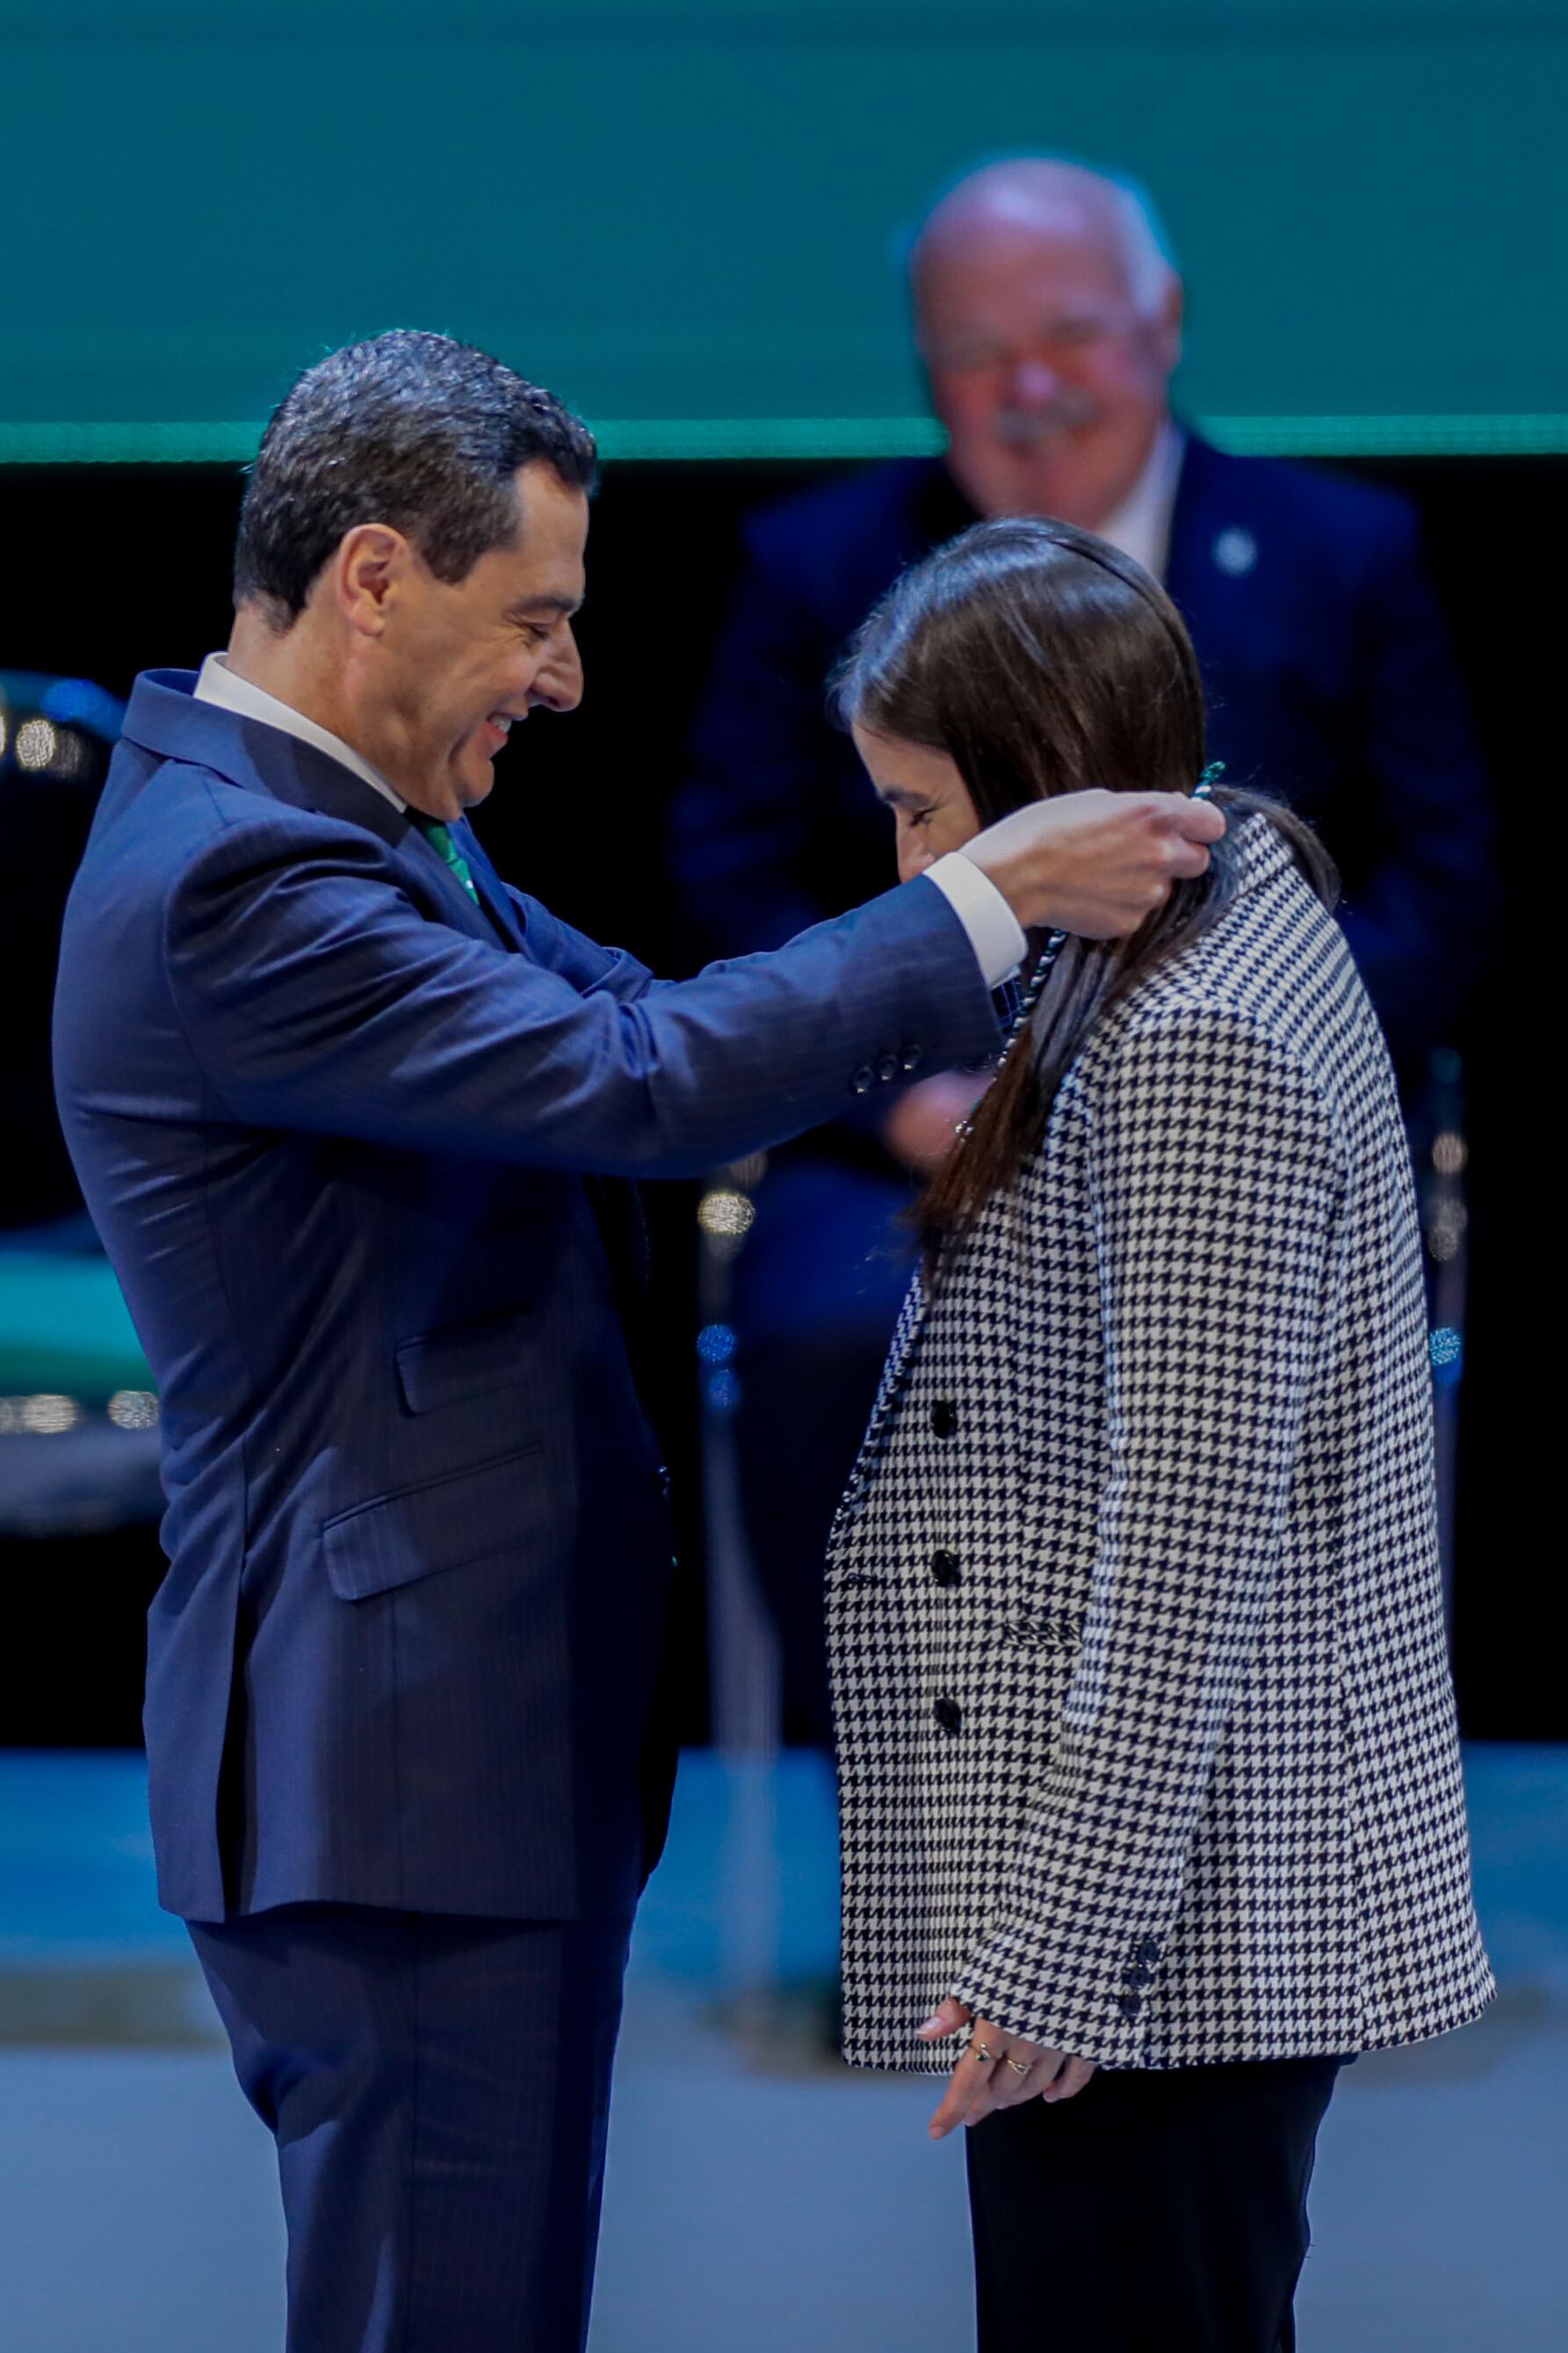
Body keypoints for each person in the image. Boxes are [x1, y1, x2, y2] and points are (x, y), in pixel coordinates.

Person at [49, 331, 1222, 2353]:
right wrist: (994, 893)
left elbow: (661, 1023)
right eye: (537, 618)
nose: (567, 675)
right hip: (394, 1764)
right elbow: (640, 1073)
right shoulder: (242, 876)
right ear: (372, 578)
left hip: (446, 1752)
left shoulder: (339, 822)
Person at [670, 154, 1493, 1741]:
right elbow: (729, 879)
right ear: (925, 371)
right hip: (908, 1141)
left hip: (1249, 1136)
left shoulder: (1344, 553)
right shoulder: (814, 566)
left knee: (1227, 1389)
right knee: (839, 1346)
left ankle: (1225, 1853)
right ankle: (923, 1841)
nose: (1031, 389)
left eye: (1070, 336)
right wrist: (914, 1096)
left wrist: (1220, 1064)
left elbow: (1440, 892)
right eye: (978, 356)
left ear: (1164, 323)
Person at [826, 516, 1494, 2353]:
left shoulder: (1195, 1031)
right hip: (1168, 1911)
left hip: (1174, 1930)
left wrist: (1062, 1942)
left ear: (1044, 780)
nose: (908, 865)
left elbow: (1190, 1540)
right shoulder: (1189, 928)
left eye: (918, 807)